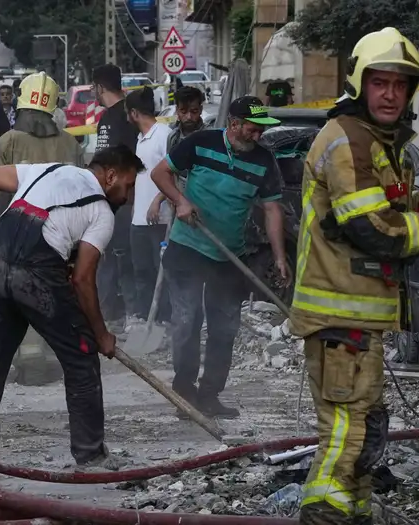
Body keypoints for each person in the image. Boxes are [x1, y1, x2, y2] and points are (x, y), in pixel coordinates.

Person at [291, 28, 419, 525]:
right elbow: (374, 229)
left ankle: (355, 514)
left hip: (354, 315)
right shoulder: (348, 141)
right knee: (347, 430)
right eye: (380, 82)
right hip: (338, 312)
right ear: (360, 84)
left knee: (364, 427)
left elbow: (386, 202)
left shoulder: (374, 140)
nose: (390, 93)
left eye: (400, 84)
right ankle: (323, 513)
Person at [0, 146, 144, 472]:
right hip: (35, 277)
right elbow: (83, 279)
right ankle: (91, 456)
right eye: (127, 186)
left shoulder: (47, 169)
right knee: (82, 359)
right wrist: (100, 335)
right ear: (110, 176)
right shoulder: (101, 211)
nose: (127, 197)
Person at [149, 96, 289, 419]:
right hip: (188, 249)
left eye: (261, 131)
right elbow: (160, 174)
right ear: (234, 124)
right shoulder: (200, 143)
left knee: (224, 328)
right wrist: (180, 202)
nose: (258, 137)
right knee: (186, 321)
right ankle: (184, 393)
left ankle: (210, 394)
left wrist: (280, 256)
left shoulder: (265, 161)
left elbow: (271, 209)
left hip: (229, 257)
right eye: (253, 130)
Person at [0, 72, 80, 222]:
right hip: (64, 225)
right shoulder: (70, 142)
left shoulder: (8, 140)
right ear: (55, 102)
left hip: (19, 226)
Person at [91, 63, 140, 334]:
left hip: (120, 201)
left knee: (116, 257)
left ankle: (122, 316)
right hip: (114, 199)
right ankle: (114, 313)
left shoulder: (119, 118)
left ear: (100, 87)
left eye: (94, 88)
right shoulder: (117, 116)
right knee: (111, 257)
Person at [124, 87, 174, 324]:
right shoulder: (140, 139)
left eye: (127, 113)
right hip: (139, 220)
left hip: (159, 218)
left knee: (160, 273)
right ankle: (145, 319)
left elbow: (174, 172)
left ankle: (164, 319)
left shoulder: (164, 135)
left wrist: (157, 200)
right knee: (141, 271)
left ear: (134, 113)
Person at [166, 86, 206, 152]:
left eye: (194, 111)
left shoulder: (210, 134)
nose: (189, 117)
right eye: (183, 111)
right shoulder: (173, 137)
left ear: (201, 110)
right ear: (177, 110)